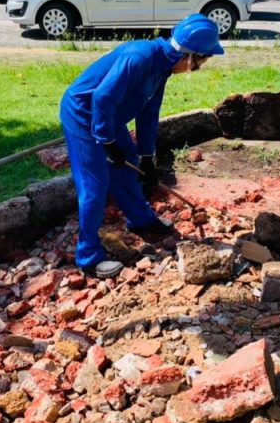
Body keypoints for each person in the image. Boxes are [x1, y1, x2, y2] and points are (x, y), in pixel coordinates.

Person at [59, 14, 223, 278]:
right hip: (83, 113)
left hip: (109, 115)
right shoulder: (140, 57)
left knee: (128, 165)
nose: (196, 69)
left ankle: (141, 219)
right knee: (95, 184)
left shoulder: (162, 67)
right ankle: (88, 256)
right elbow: (101, 98)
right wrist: (106, 141)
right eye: (199, 64)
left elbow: (149, 112)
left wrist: (147, 155)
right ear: (188, 57)